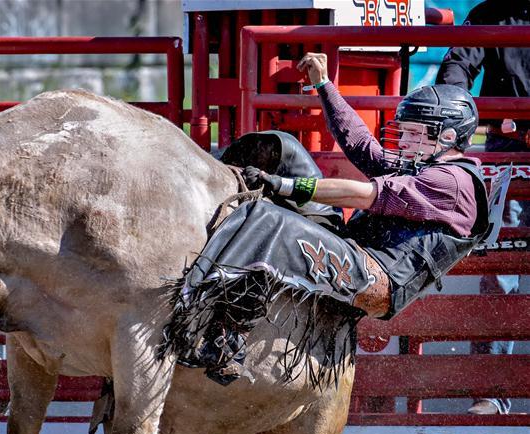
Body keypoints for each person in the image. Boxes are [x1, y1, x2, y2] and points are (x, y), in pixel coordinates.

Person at [161, 52, 489, 387]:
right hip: (354, 250)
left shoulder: (453, 182)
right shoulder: (426, 163)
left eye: (412, 133)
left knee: (269, 219)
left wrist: (285, 186)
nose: (402, 140)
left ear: (447, 137)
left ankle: (220, 335)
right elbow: (363, 147)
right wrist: (324, 85)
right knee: (284, 147)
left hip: (378, 280)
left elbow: (364, 195)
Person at [436, 1, 530, 416]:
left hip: (509, 140)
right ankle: (491, 392)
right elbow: (458, 66)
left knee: (502, 268)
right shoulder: (492, 12)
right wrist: (452, 105)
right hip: (508, 151)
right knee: (500, 268)